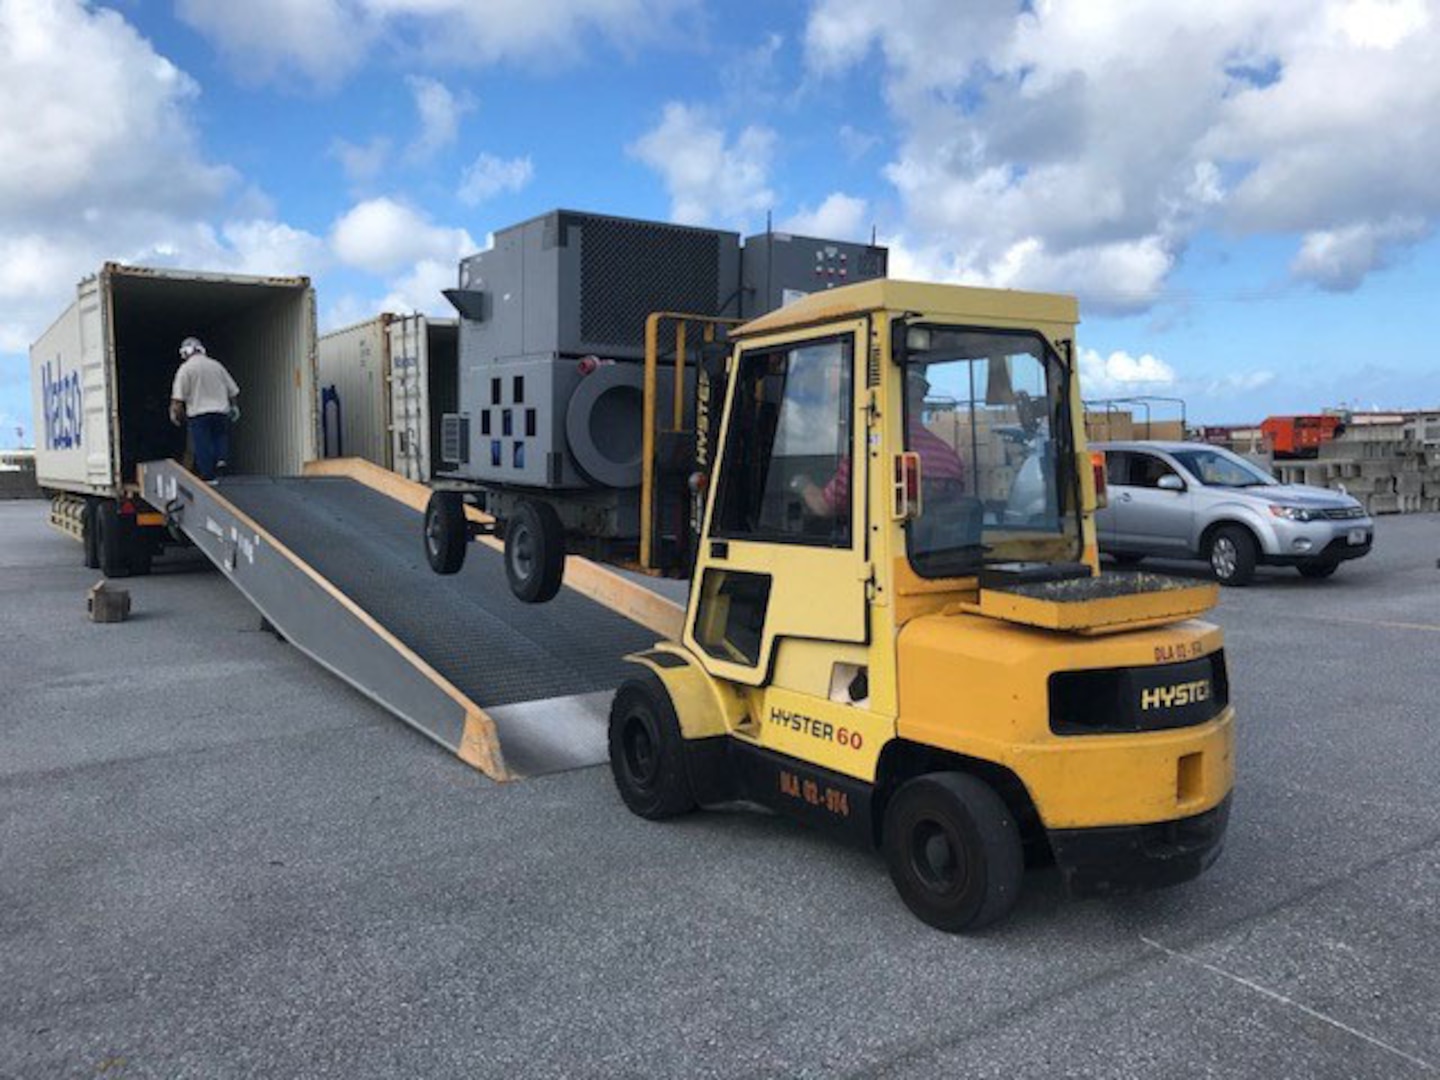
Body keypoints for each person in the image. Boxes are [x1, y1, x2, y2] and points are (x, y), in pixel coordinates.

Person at [796, 369, 966, 518]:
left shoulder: (868, 453)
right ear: (919, 404)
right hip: (932, 548)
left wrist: (801, 483)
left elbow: (825, 507)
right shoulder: (949, 455)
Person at [170, 336, 239, 481]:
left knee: (203, 444)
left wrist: (176, 415)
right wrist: (234, 406)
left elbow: (178, 399)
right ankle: (221, 459)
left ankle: (208, 476)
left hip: (198, 414)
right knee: (220, 437)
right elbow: (232, 390)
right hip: (220, 411)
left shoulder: (185, 369)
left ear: (185, 353)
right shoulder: (216, 365)